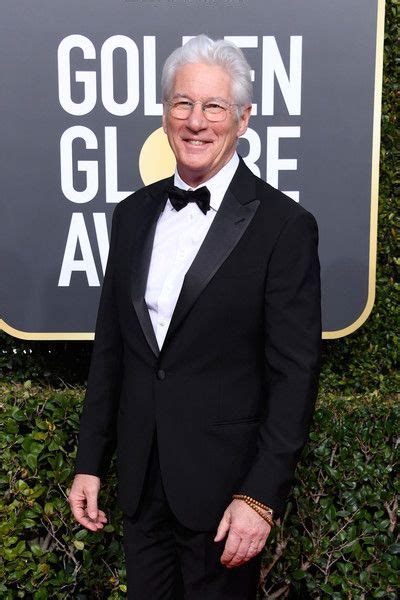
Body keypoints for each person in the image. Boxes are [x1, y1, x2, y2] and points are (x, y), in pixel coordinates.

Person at [68, 35, 322, 599]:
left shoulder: (284, 227)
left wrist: (260, 495)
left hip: (226, 496)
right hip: (141, 487)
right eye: (183, 103)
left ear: (243, 118)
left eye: (214, 107)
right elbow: (112, 350)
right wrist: (90, 462)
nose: (196, 121)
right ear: (165, 114)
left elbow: (295, 375)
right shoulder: (132, 215)